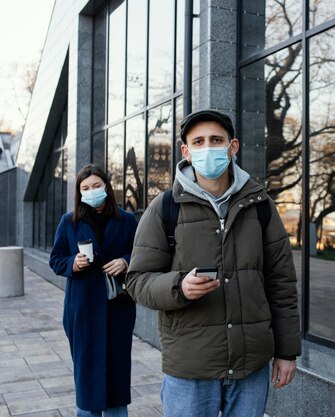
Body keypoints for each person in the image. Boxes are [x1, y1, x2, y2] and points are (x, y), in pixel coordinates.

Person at [126, 109, 301, 417]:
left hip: (250, 368)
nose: (208, 147)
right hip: (190, 368)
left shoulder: (260, 206)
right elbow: (137, 281)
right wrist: (179, 286)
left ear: (233, 147)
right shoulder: (164, 208)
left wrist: (287, 352)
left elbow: (281, 284)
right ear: (186, 151)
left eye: (216, 140)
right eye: (199, 141)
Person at [49, 164, 138, 417]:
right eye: (85, 188)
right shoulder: (69, 222)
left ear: (107, 187)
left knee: (117, 377)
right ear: (79, 192)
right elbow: (55, 259)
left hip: (117, 308)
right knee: (87, 380)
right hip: (82, 310)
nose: (91, 191)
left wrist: (126, 261)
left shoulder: (127, 220)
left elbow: (144, 253)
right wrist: (72, 263)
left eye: (96, 186)